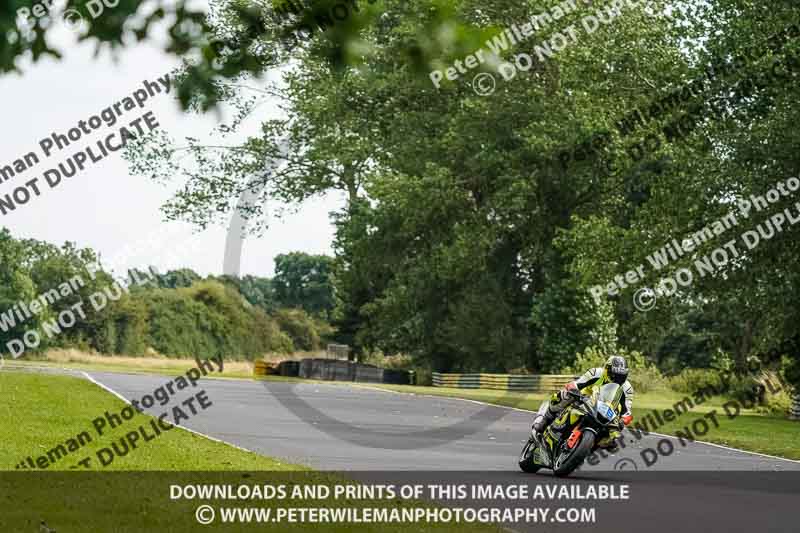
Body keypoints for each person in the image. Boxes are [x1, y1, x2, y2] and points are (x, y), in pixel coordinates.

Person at [532, 356, 634, 448]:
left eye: (621, 376)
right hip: (584, 400)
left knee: (617, 429)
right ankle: (544, 421)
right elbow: (576, 384)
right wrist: (572, 388)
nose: (617, 379)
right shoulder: (596, 373)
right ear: (607, 369)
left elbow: (627, 412)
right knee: (564, 395)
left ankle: (597, 444)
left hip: (605, 411)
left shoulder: (627, 389)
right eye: (614, 375)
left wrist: (623, 420)